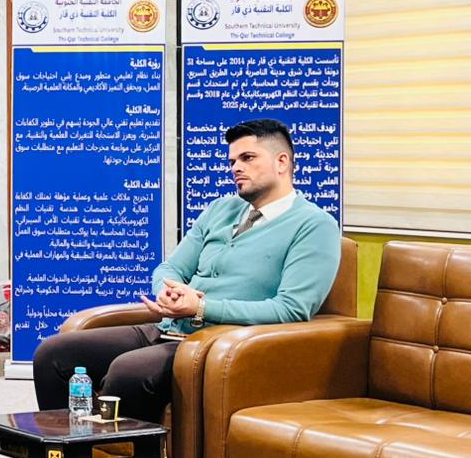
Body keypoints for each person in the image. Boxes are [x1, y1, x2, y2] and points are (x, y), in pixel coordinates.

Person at [32, 118, 341, 422]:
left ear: (282, 162)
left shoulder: (315, 225)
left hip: (220, 344)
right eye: (232, 161)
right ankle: (67, 455)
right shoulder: (221, 209)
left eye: (247, 158)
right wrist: (167, 293)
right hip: (169, 329)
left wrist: (202, 307)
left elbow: (291, 309)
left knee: (128, 371)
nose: (236, 168)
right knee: (53, 354)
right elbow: (171, 268)